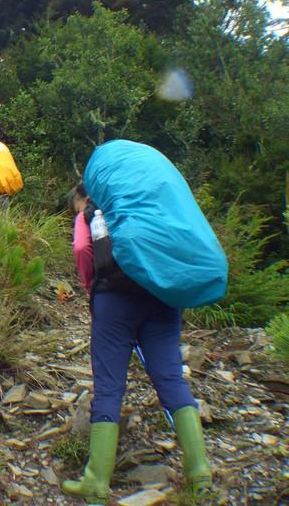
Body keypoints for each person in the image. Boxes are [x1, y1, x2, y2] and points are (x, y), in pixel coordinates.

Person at [63, 183, 212, 504]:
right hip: (161, 296)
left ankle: (96, 483)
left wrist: (91, 285)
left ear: (83, 198)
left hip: (114, 301)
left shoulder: (91, 212)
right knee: (171, 378)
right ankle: (199, 472)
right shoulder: (146, 206)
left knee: (109, 387)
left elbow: (81, 248)